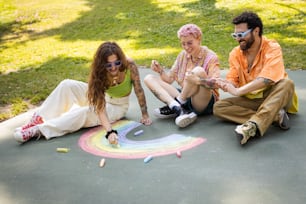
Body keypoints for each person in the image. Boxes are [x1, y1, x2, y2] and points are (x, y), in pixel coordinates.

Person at [14, 41, 152, 145]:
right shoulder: (99, 73)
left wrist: (144, 114)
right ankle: (39, 118)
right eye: (108, 65)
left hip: (117, 106)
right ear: (101, 64)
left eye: (117, 62)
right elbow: (100, 106)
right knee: (67, 85)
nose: (114, 67)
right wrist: (109, 131)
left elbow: (138, 89)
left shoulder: (129, 65)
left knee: (85, 112)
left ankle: (39, 130)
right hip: (103, 100)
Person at [213, 11, 299, 145]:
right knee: (219, 107)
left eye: (241, 35)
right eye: (235, 35)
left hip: (276, 96)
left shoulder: (272, 48)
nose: (237, 39)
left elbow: (267, 79)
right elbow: (233, 80)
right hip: (254, 100)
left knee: (287, 83)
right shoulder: (235, 54)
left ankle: (252, 126)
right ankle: (275, 116)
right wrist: (224, 83)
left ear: (256, 31)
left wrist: (238, 91)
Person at [144, 24, 220, 128]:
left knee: (198, 71)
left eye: (189, 43)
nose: (186, 47)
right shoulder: (182, 55)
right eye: (183, 44)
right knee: (149, 78)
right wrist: (160, 71)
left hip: (203, 102)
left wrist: (198, 80)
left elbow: (216, 84)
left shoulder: (211, 57)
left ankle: (178, 103)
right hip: (185, 95)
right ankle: (177, 107)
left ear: (199, 39)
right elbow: (169, 80)